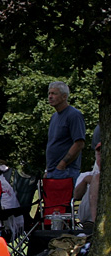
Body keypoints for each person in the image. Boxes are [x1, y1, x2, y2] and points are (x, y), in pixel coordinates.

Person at [44, 81, 86, 224]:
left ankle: (67, 241)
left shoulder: (74, 115)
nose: (50, 97)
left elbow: (79, 143)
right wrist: (48, 169)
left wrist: (63, 164)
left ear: (64, 96)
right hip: (53, 171)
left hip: (66, 171)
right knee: (53, 211)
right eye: (49, 93)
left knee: (64, 211)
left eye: (54, 93)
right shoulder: (54, 117)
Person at [74, 139, 100, 229]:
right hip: (85, 217)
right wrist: (85, 181)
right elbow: (76, 196)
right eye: (99, 154)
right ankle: (92, 222)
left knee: (96, 179)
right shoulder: (85, 175)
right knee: (95, 179)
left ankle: (94, 222)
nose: (101, 157)